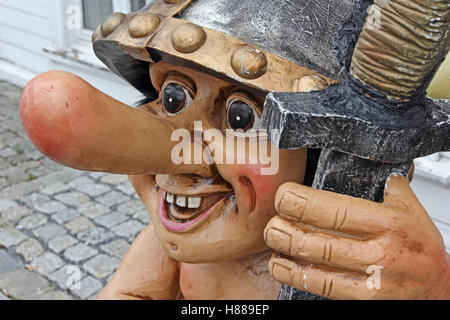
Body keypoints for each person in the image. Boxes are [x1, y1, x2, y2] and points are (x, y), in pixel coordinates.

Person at [20, 0, 449, 299]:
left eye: (242, 118)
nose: (175, 152)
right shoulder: (166, 249)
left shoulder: (354, 261)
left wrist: (433, 288)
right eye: (172, 98)